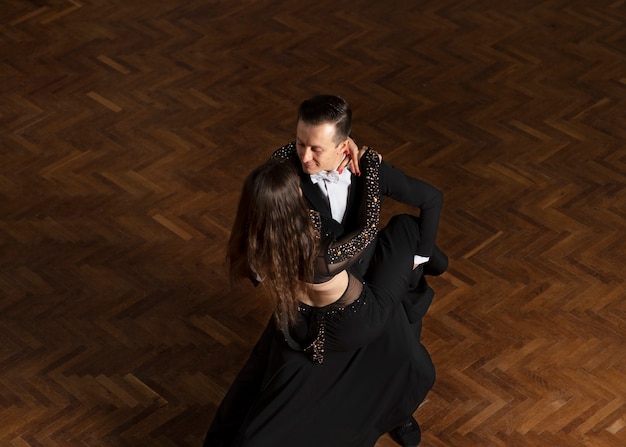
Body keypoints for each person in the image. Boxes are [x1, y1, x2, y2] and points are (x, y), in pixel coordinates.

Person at [203, 153, 434, 447]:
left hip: (303, 316)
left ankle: (391, 411)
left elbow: (280, 162)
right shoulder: (320, 255)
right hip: (350, 317)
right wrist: (371, 166)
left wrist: (325, 146)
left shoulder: (256, 239)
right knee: (405, 229)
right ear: (293, 198)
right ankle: (434, 263)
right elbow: (367, 229)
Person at [270, 94, 447, 443]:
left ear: (343, 146)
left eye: (316, 149)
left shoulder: (371, 169)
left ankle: (398, 414)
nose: (304, 156)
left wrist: (419, 258)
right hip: (321, 299)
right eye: (299, 142)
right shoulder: (285, 170)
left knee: (405, 359)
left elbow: (432, 199)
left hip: (371, 287)